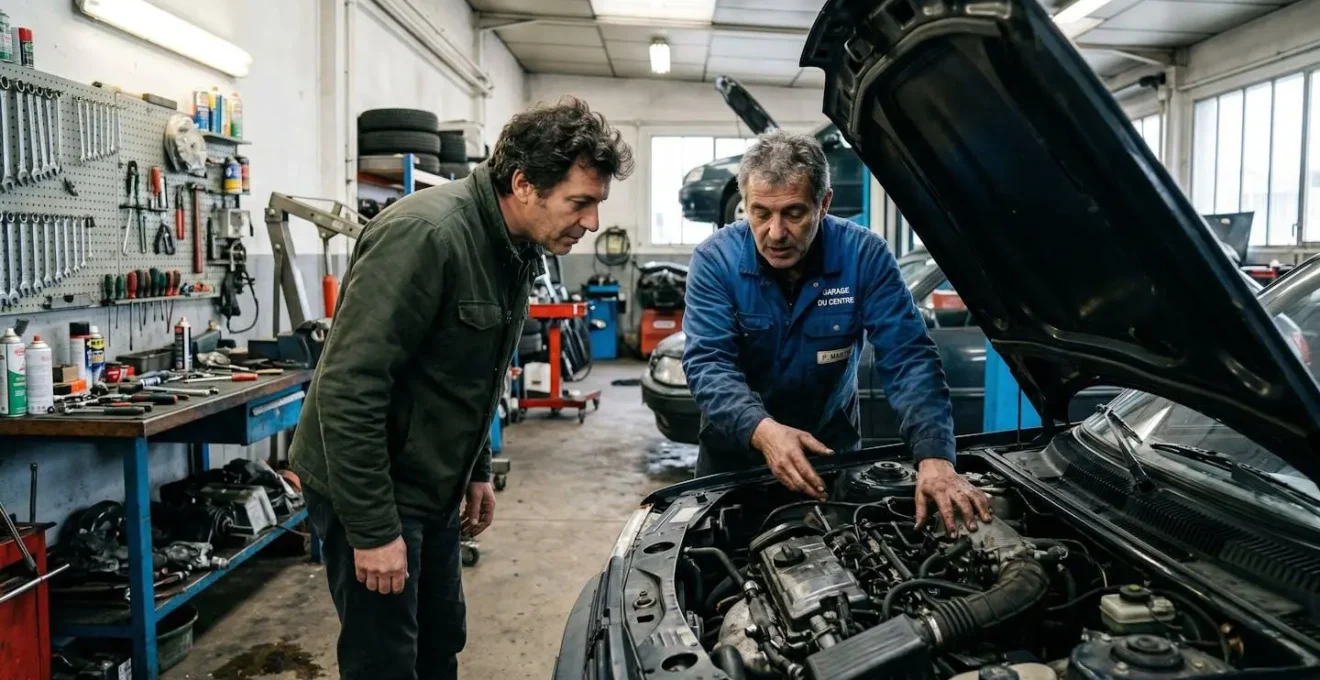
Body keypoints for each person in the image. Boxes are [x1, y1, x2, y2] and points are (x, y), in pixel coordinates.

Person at [289, 97, 633, 680]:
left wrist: (475, 468)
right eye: (581, 202)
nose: (592, 222)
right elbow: (350, 387)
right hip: (372, 485)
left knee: (439, 640)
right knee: (386, 659)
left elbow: (472, 372)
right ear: (525, 184)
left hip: (435, 482)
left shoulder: (515, 248)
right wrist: (373, 532)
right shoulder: (426, 235)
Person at [681, 129, 990, 535]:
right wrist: (764, 431)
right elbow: (708, 364)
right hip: (735, 455)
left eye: (793, 213)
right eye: (760, 213)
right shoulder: (714, 260)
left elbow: (909, 357)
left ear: (823, 203)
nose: (775, 233)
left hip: (829, 455)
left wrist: (935, 456)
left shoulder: (864, 256)